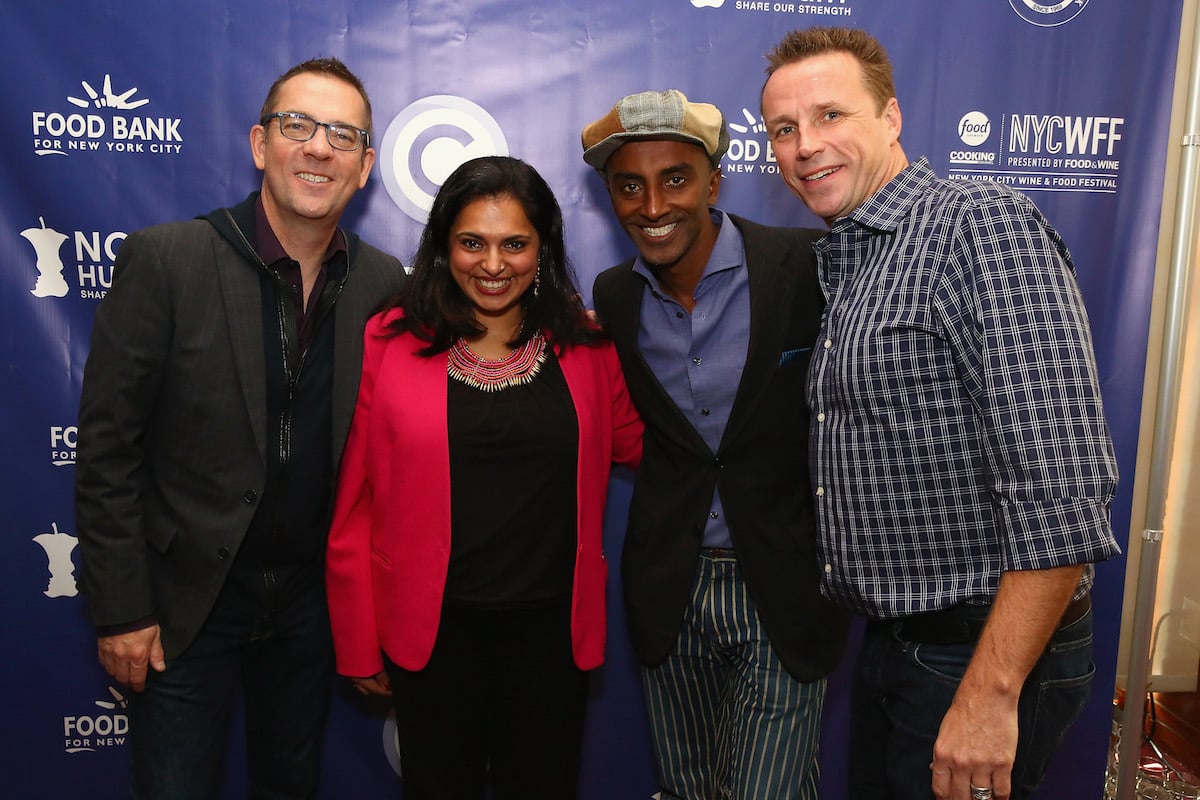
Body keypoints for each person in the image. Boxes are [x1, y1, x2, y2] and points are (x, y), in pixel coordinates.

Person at [760, 26, 1121, 800]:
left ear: (890, 118)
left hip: (981, 652)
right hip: (906, 644)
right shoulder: (858, 257)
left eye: (831, 116)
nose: (804, 146)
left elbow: (1060, 490)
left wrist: (991, 695)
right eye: (784, 129)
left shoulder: (976, 225)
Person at [74, 58, 404, 798]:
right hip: (185, 605)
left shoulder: (388, 285)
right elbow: (105, 452)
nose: (319, 148)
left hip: (312, 610)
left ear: (365, 166)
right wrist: (121, 608)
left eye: (342, 135)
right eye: (298, 126)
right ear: (261, 143)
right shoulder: (168, 260)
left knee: (290, 784)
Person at [324, 155, 643, 799]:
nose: (493, 265)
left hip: (552, 636)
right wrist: (358, 642)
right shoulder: (390, 338)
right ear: (443, 246)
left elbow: (650, 448)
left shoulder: (589, 345)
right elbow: (357, 499)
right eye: (472, 242)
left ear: (543, 248)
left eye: (514, 244)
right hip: (432, 634)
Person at [584, 90, 849, 800]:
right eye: (628, 186)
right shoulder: (614, 296)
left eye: (675, 178)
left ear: (713, 182)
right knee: (689, 787)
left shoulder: (809, 265)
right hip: (672, 586)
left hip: (784, 583)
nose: (652, 205)